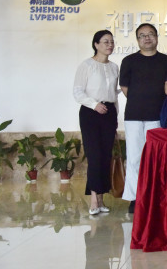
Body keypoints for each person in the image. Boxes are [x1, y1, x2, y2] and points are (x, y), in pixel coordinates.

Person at [120, 23, 167, 213]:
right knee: (134, 158)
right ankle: (135, 198)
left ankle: (156, 196)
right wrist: (140, 100)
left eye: (151, 34)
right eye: (142, 35)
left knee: (156, 159)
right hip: (134, 115)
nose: (147, 38)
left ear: (157, 37)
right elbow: (125, 88)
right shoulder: (129, 61)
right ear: (137, 40)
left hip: (157, 116)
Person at [73, 30, 119, 215]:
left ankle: (101, 198)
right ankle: (94, 199)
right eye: (105, 41)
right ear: (96, 44)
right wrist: (94, 105)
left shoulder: (114, 67)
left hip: (109, 113)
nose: (110, 45)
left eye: (112, 42)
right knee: (94, 155)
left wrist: (115, 117)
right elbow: (77, 92)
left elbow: (114, 95)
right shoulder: (87, 65)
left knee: (106, 156)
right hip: (91, 113)